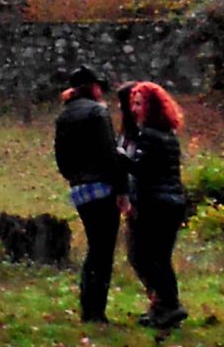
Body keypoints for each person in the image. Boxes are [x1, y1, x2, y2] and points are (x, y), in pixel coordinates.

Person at [53, 66, 130, 323]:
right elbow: (110, 154)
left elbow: (61, 159)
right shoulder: (98, 112)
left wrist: (74, 178)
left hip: (80, 189)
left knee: (94, 248)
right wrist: (122, 189)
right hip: (102, 187)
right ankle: (95, 310)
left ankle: (89, 307)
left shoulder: (64, 116)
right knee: (102, 251)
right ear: (92, 87)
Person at [122, 80, 190, 330]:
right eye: (133, 104)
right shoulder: (168, 135)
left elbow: (141, 169)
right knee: (159, 257)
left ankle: (169, 305)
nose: (134, 109)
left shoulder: (149, 135)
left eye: (139, 104)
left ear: (151, 107)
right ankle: (163, 307)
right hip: (171, 203)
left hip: (154, 204)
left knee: (146, 257)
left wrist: (120, 157)